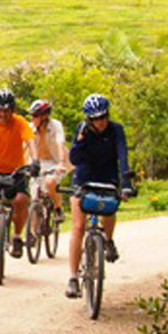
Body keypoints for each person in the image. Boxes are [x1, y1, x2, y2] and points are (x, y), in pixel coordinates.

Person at [65, 93, 135, 298]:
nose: (100, 122)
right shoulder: (82, 130)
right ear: (89, 119)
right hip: (84, 178)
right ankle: (72, 278)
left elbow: (123, 156)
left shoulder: (116, 130)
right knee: (78, 227)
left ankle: (109, 239)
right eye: (95, 118)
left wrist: (127, 184)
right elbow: (74, 159)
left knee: (110, 207)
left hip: (108, 178)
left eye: (103, 116)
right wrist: (80, 140)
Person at [0, 89, 36, 258]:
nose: (3, 114)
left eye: (6, 111)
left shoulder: (20, 122)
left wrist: (35, 161)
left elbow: (30, 141)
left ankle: (17, 237)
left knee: (21, 200)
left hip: (15, 170)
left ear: (13, 110)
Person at [28, 98, 70, 216]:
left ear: (44, 116)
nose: (33, 119)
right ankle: (32, 233)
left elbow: (60, 144)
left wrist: (61, 163)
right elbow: (24, 146)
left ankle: (58, 208)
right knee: (34, 198)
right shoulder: (30, 128)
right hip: (37, 163)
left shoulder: (56, 126)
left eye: (35, 116)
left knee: (50, 181)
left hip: (54, 162)